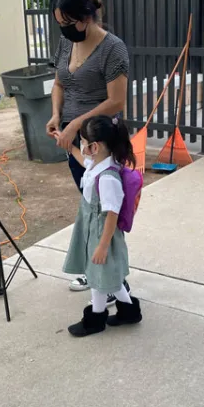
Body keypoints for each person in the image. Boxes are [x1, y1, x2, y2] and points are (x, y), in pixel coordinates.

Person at [45, 0, 131, 299]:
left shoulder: (113, 49)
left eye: (69, 23)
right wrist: (57, 115)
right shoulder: (67, 42)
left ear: (86, 17)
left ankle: (112, 280)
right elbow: (58, 82)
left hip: (101, 140)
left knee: (104, 208)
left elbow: (116, 100)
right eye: (59, 24)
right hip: (73, 136)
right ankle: (95, 270)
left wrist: (78, 125)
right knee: (88, 205)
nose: (65, 30)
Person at [61, 115, 142, 337]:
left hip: (101, 235)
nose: (82, 147)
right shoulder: (98, 163)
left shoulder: (107, 178)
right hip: (93, 231)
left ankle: (95, 320)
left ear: (94, 146)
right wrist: (67, 145)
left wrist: (102, 246)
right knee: (108, 277)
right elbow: (82, 161)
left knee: (98, 279)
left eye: (83, 142)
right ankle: (129, 312)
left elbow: (112, 214)